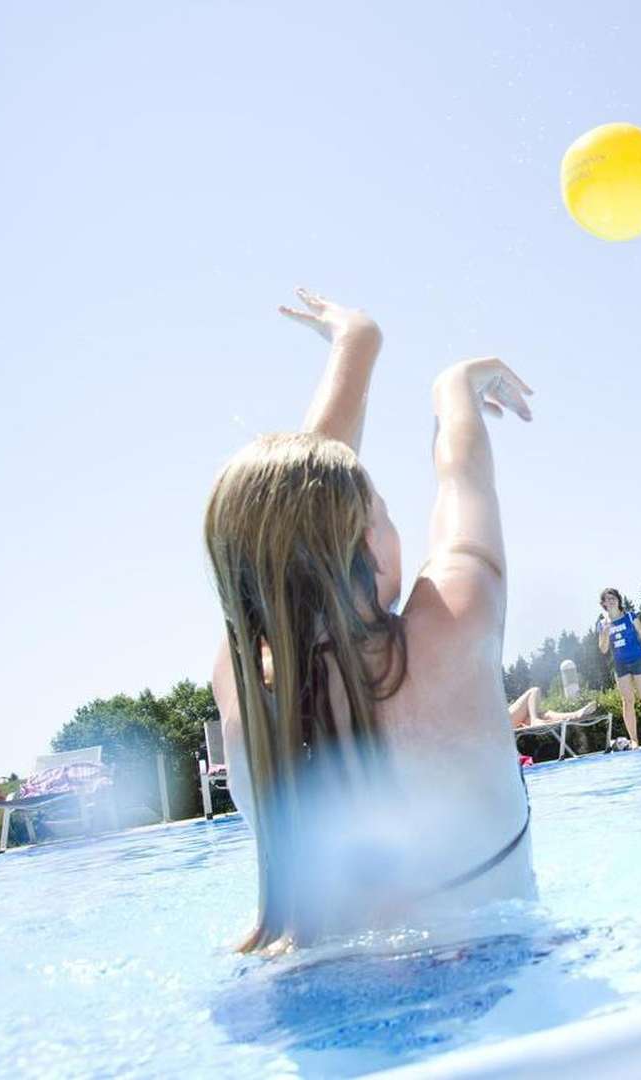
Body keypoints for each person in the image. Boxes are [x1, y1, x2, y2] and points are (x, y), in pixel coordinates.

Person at [205, 289, 536, 953]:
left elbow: (290, 523)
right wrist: (457, 390)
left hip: (299, 999)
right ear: (363, 544)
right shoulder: (453, 631)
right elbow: (463, 482)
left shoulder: (238, 683)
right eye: (382, 513)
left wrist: (356, 347)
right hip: (489, 985)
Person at [595, 588, 641, 747]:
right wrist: (605, 633)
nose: (611, 601)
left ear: (618, 600)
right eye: (607, 599)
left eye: (613, 597)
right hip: (621, 665)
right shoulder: (602, 624)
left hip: (638, 660)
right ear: (604, 604)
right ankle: (634, 740)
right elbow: (603, 649)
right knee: (627, 701)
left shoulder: (630, 616)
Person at [508, 688, 598, 730]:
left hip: (504, 723)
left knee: (543, 714)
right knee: (534, 691)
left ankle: (575, 715)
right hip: (501, 722)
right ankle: (534, 720)